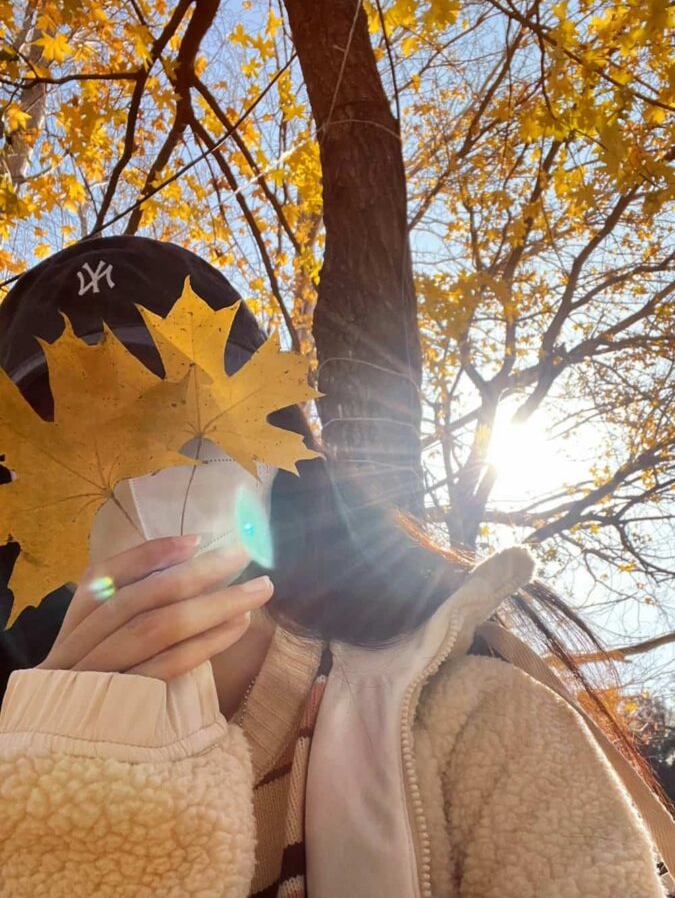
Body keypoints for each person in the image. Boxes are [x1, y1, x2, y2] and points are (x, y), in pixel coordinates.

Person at [0, 235, 672, 898]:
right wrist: (61, 790)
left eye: (182, 413)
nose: (133, 469)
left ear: (277, 449)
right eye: (64, 433)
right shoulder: (12, 765)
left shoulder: (475, 728)